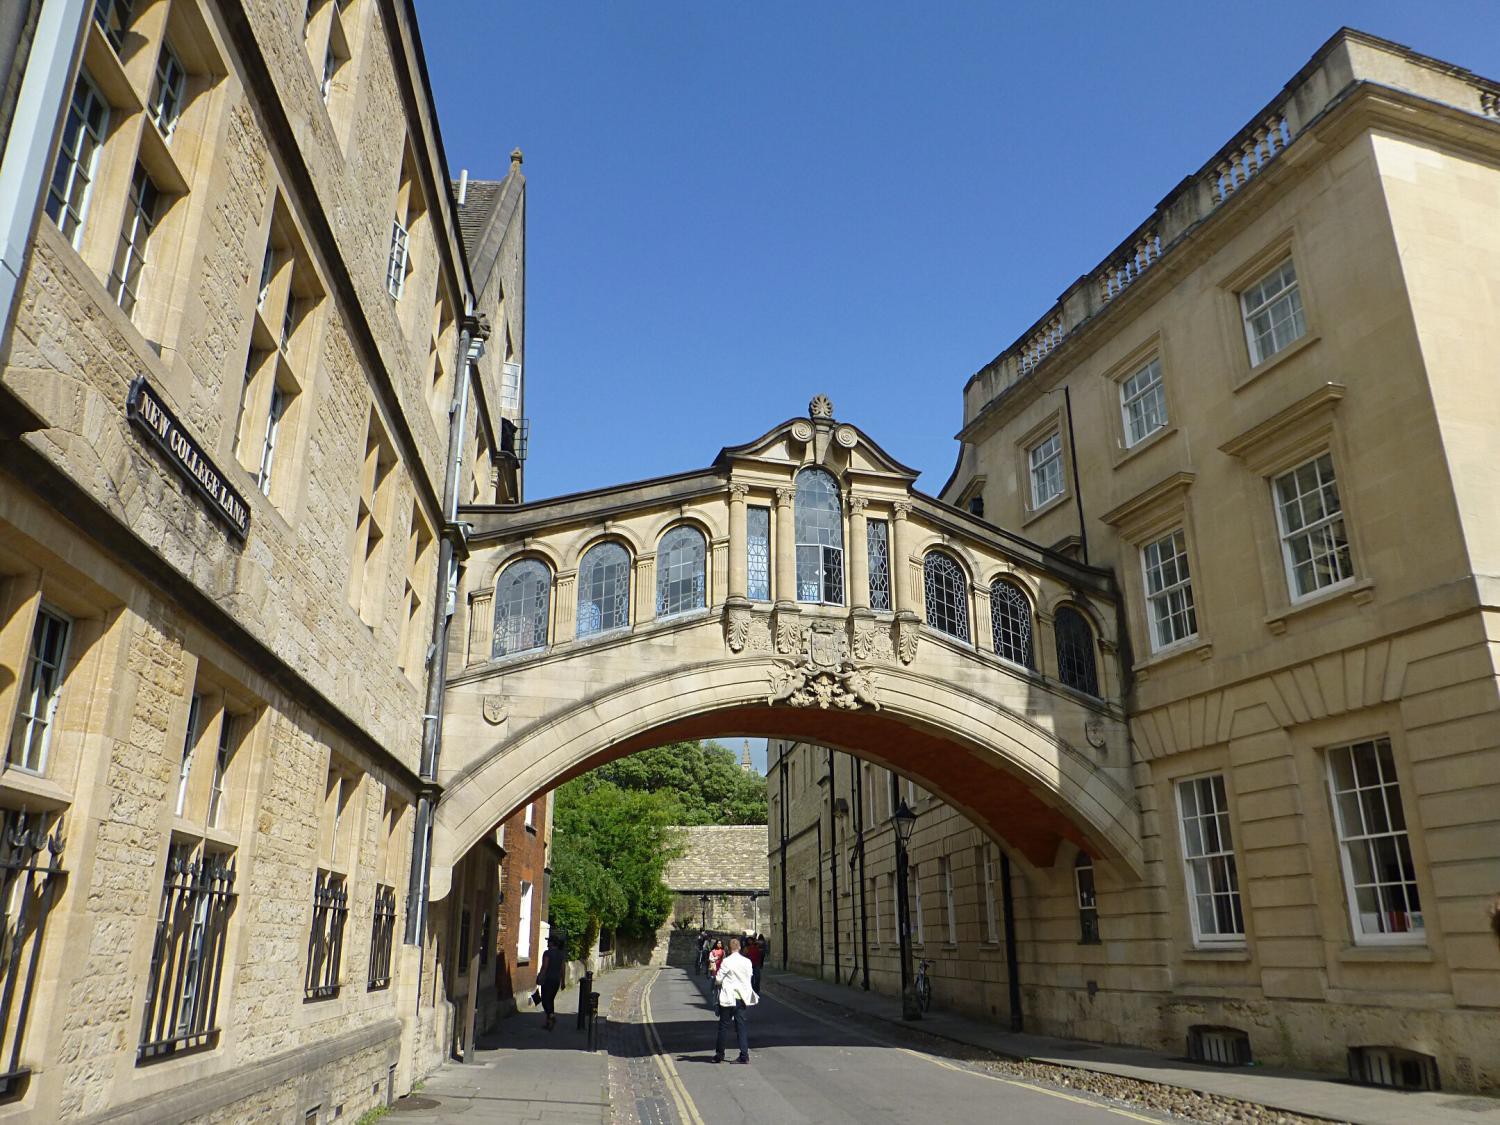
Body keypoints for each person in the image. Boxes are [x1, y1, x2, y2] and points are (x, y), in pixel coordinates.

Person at [712, 937, 757, 1064]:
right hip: (741, 997)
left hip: (728, 998)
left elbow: (718, 979)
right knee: (741, 1027)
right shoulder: (747, 962)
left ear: (729, 948)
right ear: (740, 948)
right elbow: (750, 977)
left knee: (723, 1026)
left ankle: (719, 1055)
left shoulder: (727, 962)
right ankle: (744, 1055)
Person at [536, 935, 565, 1030]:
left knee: (545, 1001)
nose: (547, 943)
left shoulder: (547, 953)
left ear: (552, 943)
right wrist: (563, 981)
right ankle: (549, 1023)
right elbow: (562, 969)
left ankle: (552, 1016)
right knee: (551, 1000)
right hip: (556, 980)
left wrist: (540, 976)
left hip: (547, 979)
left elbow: (545, 966)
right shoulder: (561, 954)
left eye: (549, 941)